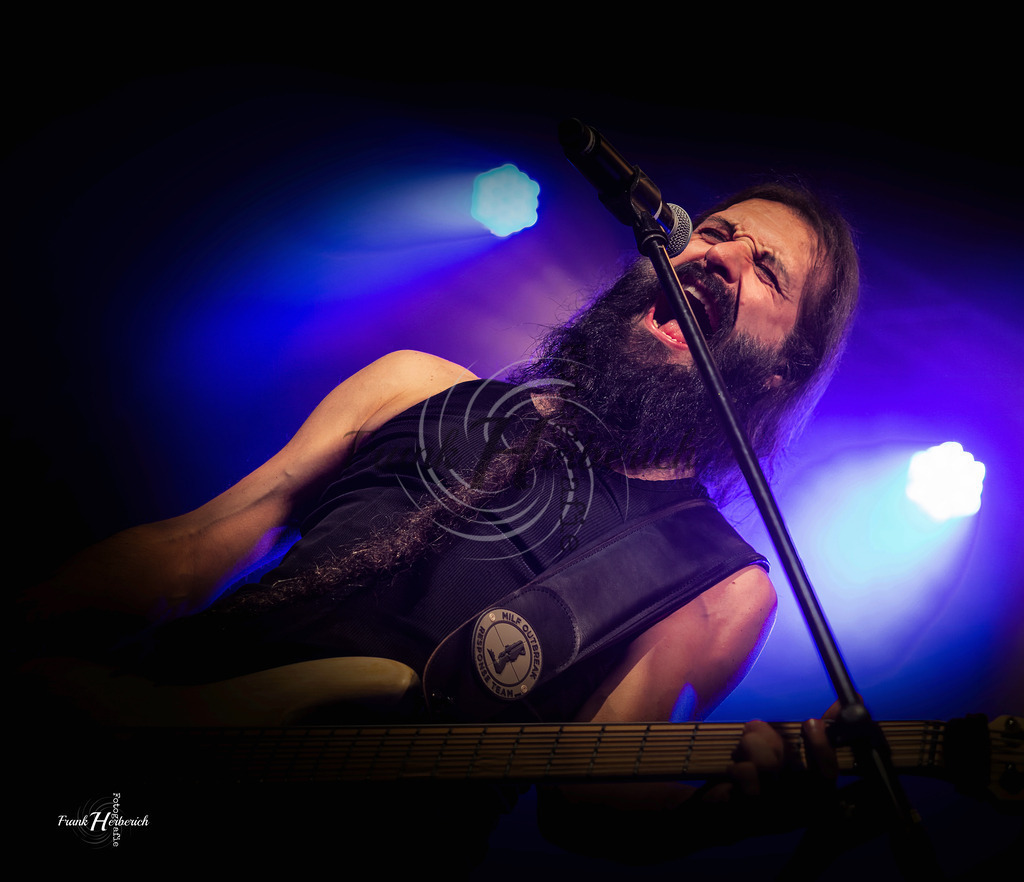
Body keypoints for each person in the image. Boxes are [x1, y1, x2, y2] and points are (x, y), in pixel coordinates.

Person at [17, 180, 859, 867]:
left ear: (786, 367)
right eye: (713, 231)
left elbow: (592, 806)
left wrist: (738, 813)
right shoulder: (416, 387)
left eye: (767, 271)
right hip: (132, 791)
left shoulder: (716, 586)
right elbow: (190, 551)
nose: (718, 256)